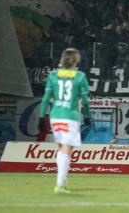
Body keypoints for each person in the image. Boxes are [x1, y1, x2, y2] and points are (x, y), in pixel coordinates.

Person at [38, 48, 92, 194]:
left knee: (61, 147)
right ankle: (59, 183)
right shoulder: (80, 76)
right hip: (70, 115)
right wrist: (87, 116)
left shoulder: (53, 75)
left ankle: (63, 181)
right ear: (76, 61)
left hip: (56, 115)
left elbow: (45, 98)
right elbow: (85, 101)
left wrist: (42, 116)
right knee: (67, 149)